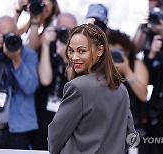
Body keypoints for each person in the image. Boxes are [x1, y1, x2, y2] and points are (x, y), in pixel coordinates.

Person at [48, 24, 136, 154]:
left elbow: (56, 135)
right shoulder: (121, 89)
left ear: (100, 50)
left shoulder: (77, 87)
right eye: (71, 50)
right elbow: (131, 137)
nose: (74, 57)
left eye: (82, 51)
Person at [30, 13, 77, 150]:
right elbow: (45, 80)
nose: (65, 34)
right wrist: (45, 46)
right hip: (42, 122)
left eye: (70, 30)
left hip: (68, 126)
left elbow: (74, 82)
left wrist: (67, 56)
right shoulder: (48, 46)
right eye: (62, 29)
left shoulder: (79, 53)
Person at [0, 16, 38, 149]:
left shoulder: (28, 55)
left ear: (17, 33)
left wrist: (17, 60)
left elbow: (30, 87)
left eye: (9, 35)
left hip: (18, 130)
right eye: (2, 35)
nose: (6, 39)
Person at [106, 29, 149, 154]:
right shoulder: (102, 66)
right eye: (111, 52)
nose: (114, 56)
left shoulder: (135, 64)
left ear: (127, 52)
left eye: (118, 52)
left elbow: (143, 95)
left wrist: (127, 71)